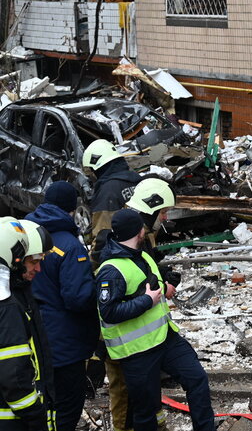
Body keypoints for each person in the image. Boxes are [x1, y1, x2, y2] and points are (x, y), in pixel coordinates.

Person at [96, 209, 214, 431]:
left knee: (197, 379)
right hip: (137, 351)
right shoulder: (111, 270)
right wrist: (146, 302)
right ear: (138, 231)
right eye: (142, 227)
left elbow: (151, 284)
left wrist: (165, 285)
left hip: (165, 338)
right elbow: (108, 312)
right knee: (145, 411)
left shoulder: (142, 255)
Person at [91, 178, 178, 431]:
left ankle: (156, 425)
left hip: (141, 333)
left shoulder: (142, 236)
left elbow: (144, 271)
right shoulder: (115, 240)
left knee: (147, 387)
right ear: (151, 209)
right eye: (162, 212)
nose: (165, 217)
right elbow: (109, 286)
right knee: (122, 387)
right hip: (119, 332)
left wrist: (164, 279)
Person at [26, 181, 99, 431]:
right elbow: (77, 298)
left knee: (45, 405)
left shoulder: (29, 238)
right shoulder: (69, 245)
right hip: (66, 342)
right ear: (72, 209)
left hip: (34, 336)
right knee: (68, 407)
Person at [0, 219, 56, 431]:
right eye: (34, 261)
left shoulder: (20, 294)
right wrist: (35, 415)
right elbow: (13, 373)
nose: (39, 269)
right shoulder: (8, 305)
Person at [82, 139, 143, 240]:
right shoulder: (137, 180)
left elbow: (102, 231)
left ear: (98, 167)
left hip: (121, 248)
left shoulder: (107, 191)